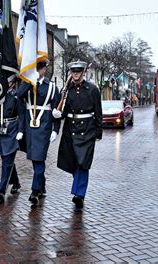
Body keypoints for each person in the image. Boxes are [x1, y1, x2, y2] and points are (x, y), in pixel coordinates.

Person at [53, 60, 103, 210]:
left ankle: (79, 194)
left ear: (83, 73)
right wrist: (57, 114)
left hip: (87, 129)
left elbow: (98, 112)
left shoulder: (92, 89)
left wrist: (98, 132)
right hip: (70, 129)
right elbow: (62, 110)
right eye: (73, 72)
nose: (75, 74)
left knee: (83, 162)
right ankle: (79, 190)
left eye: (78, 72)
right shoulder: (67, 90)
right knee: (73, 161)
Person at [17, 59, 60, 206]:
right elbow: (18, 96)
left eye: (40, 69)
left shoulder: (52, 87)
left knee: (39, 157)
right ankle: (41, 185)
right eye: (36, 69)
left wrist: (56, 129)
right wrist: (29, 83)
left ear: (44, 70)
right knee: (35, 159)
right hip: (30, 126)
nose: (39, 71)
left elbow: (56, 111)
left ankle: (35, 191)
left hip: (44, 126)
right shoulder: (27, 84)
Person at [0, 75, 24, 204]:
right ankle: (15, 182)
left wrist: (21, 131)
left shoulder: (16, 96)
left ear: (12, 84)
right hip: (0, 129)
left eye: (8, 82)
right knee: (6, 158)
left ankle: (1, 189)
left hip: (11, 129)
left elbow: (22, 114)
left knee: (7, 159)